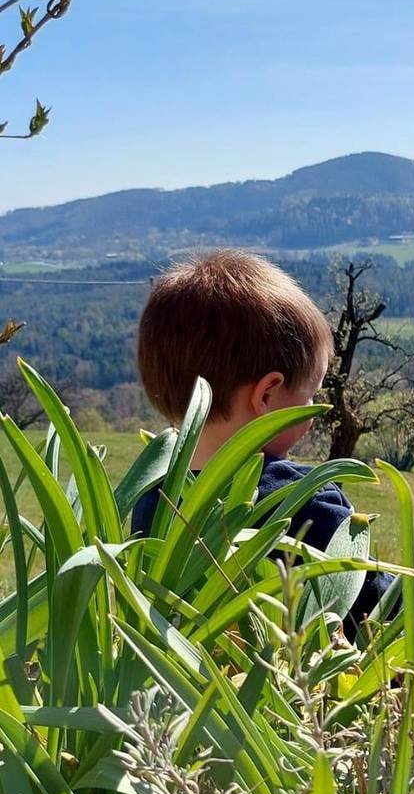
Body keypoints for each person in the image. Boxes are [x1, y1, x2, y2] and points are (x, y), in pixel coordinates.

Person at [131, 250, 390, 629]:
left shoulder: (151, 499)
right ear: (267, 395)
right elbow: (379, 615)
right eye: (310, 396)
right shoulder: (305, 501)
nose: (315, 411)